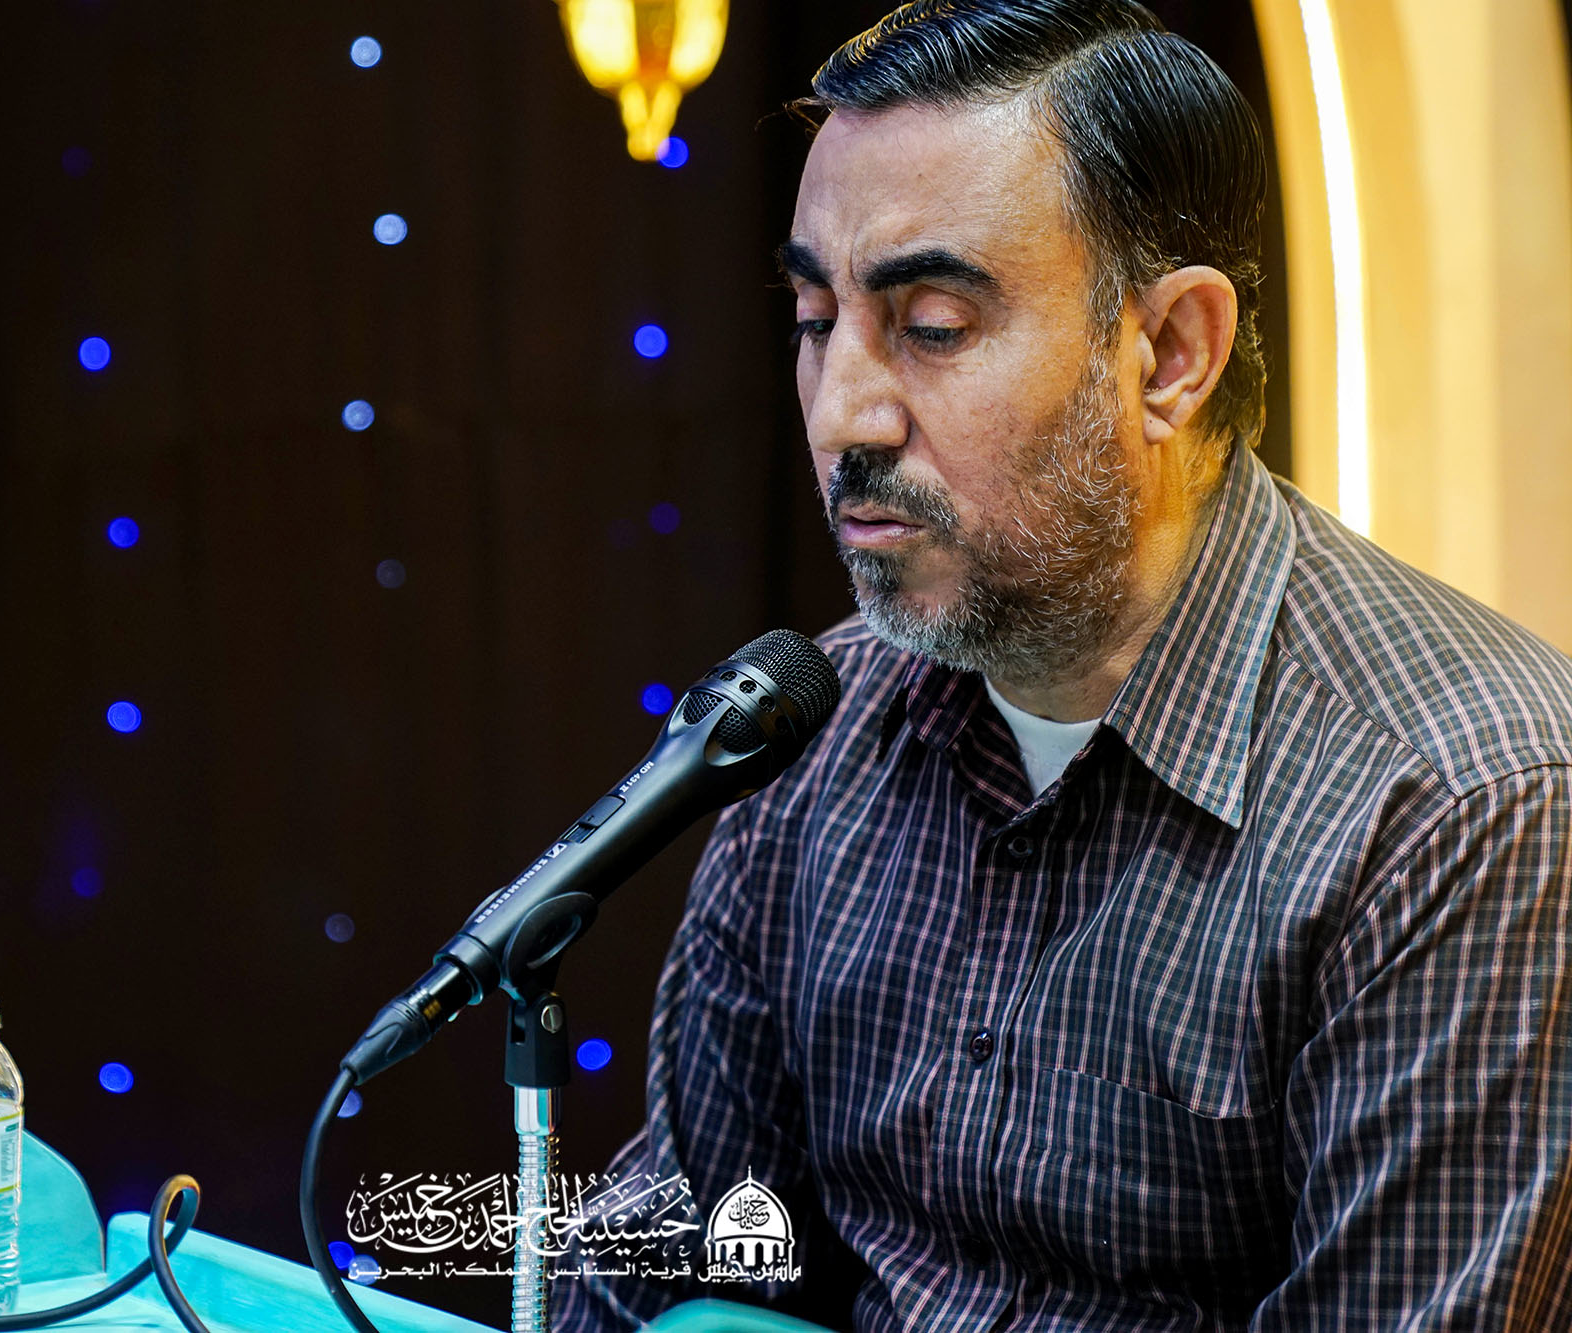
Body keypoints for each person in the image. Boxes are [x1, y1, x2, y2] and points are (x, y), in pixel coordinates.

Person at [551, 1, 1572, 1329]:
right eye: (815, 318)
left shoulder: (1464, 799)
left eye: (930, 325)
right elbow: (671, 1268)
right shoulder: (808, 740)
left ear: (1171, 354)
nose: (843, 413)